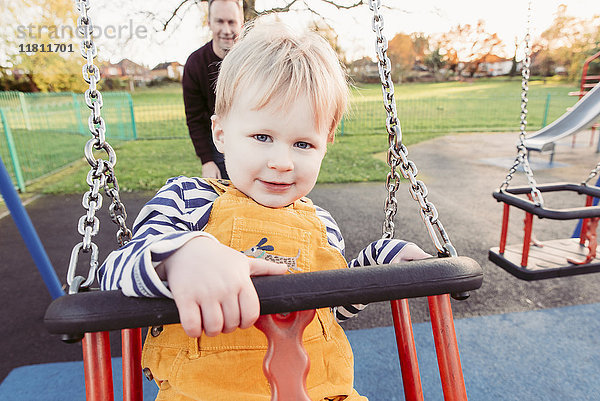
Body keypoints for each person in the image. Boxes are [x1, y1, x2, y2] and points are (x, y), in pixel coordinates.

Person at [99, 20, 429, 401]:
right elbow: (116, 271)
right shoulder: (188, 199)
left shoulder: (322, 223)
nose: (282, 161)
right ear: (220, 133)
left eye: (303, 144)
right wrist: (179, 256)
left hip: (324, 393)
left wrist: (378, 263)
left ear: (327, 142)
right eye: (262, 137)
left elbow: (331, 311)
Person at [182, 0, 244, 179]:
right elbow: (194, 119)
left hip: (257, 134)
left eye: (232, 22)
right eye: (220, 21)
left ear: (241, 23)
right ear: (209, 23)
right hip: (220, 138)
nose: (226, 30)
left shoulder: (255, 60)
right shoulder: (195, 64)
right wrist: (207, 161)